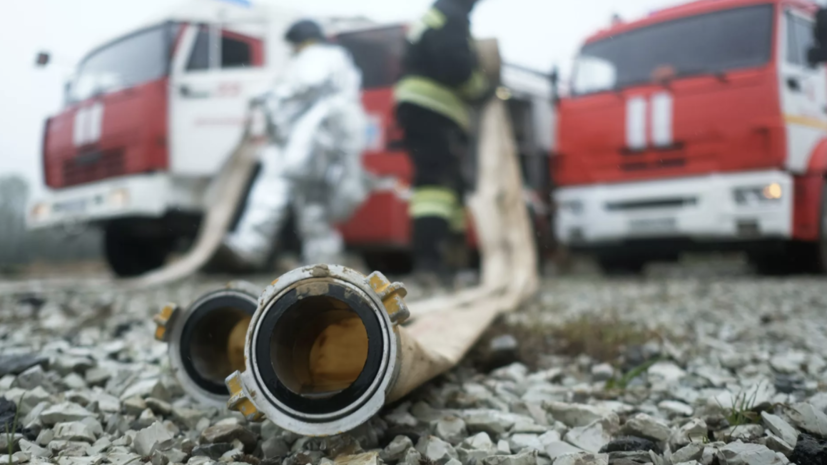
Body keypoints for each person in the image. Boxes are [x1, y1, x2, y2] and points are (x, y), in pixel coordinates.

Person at [220, 19, 369, 269]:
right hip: (333, 144)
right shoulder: (341, 60)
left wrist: (267, 95)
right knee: (313, 205)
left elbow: (304, 85)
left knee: (275, 186)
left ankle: (250, 246)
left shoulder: (316, 56)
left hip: (311, 141)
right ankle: (323, 262)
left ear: (301, 42)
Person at [394, 0, 494, 279]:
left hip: (424, 108)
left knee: (449, 186)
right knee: (435, 185)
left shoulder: (437, 14)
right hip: (432, 108)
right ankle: (430, 263)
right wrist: (482, 89)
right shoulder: (451, 16)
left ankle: (450, 262)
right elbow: (457, 68)